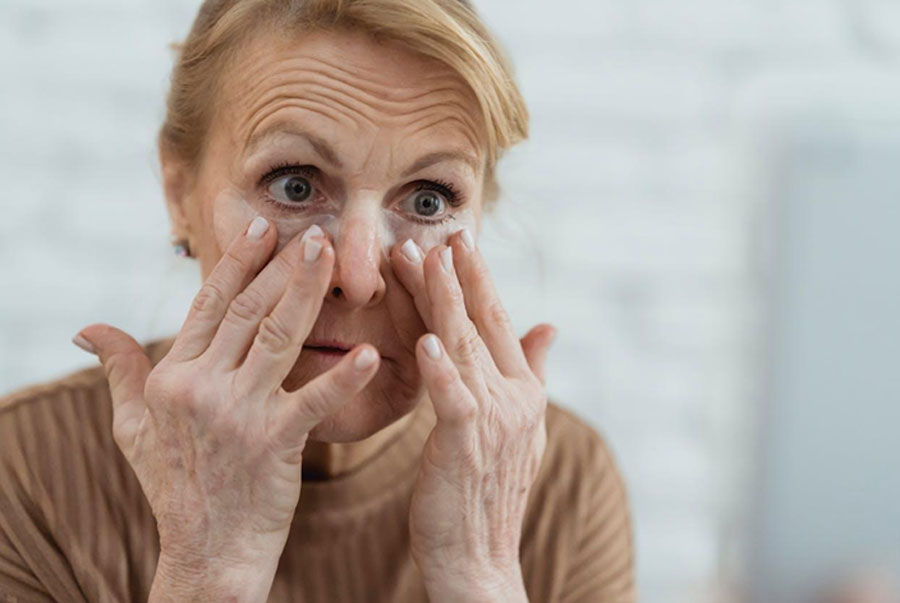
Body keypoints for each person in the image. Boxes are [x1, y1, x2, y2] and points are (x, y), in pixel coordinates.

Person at [0, 1, 634, 600]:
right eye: (295, 186)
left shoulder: (562, 487)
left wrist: (482, 575)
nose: (356, 277)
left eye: (428, 200)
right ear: (179, 195)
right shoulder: (26, 471)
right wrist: (208, 570)